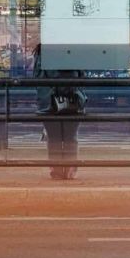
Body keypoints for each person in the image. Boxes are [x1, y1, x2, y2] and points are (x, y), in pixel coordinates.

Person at [33, 45, 86, 180]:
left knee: (54, 138)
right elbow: (82, 76)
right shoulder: (75, 52)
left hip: (49, 102)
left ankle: (56, 169)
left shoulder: (43, 53)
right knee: (71, 137)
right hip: (73, 100)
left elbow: (37, 77)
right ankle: (70, 169)